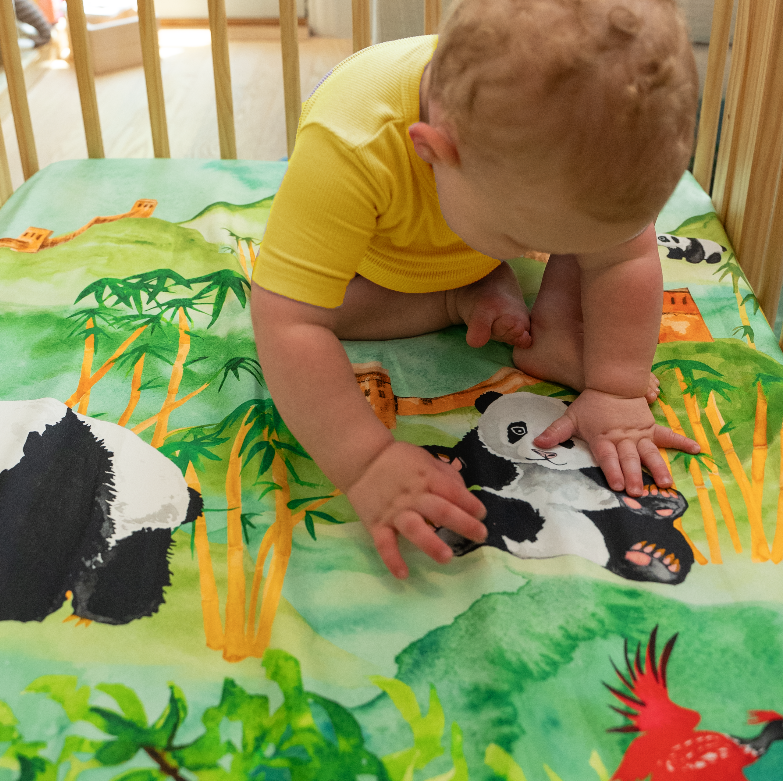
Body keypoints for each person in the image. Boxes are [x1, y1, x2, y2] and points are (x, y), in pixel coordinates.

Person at [250, 0, 702, 579]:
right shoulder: (350, 146)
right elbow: (286, 319)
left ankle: (550, 330)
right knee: (313, 310)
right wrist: (365, 463)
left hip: (474, 227)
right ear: (434, 153)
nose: (533, 249)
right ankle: (454, 297)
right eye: (522, 238)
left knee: (585, 235)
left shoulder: (546, 143)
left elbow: (625, 258)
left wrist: (616, 388)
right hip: (383, 258)